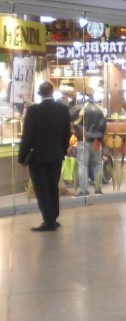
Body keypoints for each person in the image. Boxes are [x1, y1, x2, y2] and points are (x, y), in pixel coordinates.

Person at [19, 82, 73, 231]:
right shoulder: (62, 109)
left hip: (38, 156)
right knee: (53, 186)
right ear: (52, 92)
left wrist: (22, 157)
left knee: (41, 188)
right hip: (56, 155)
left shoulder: (33, 110)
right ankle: (54, 217)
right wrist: (62, 150)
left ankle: (48, 220)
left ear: (39, 94)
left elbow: (27, 136)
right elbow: (66, 133)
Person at [72, 92, 107, 196]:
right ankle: (98, 190)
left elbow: (72, 120)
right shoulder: (101, 109)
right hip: (97, 141)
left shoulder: (80, 108)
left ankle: (84, 191)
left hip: (83, 141)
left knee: (83, 165)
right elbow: (104, 126)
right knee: (97, 165)